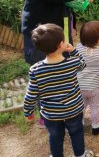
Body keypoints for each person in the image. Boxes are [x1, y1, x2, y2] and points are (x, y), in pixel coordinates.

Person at [23, 24, 93, 157]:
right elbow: (83, 64)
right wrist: (73, 51)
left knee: (55, 136)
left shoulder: (36, 70)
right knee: (76, 132)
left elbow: (31, 94)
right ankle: (80, 154)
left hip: (51, 113)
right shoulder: (72, 63)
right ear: (61, 44)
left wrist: (28, 112)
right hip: (74, 109)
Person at [76, 21, 99, 135]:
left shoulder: (78, 47)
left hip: (79, 86)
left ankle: (78, 125)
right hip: (94, 87)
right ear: (97, 39)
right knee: (94, 107)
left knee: (80, 107)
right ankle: (96, 126)